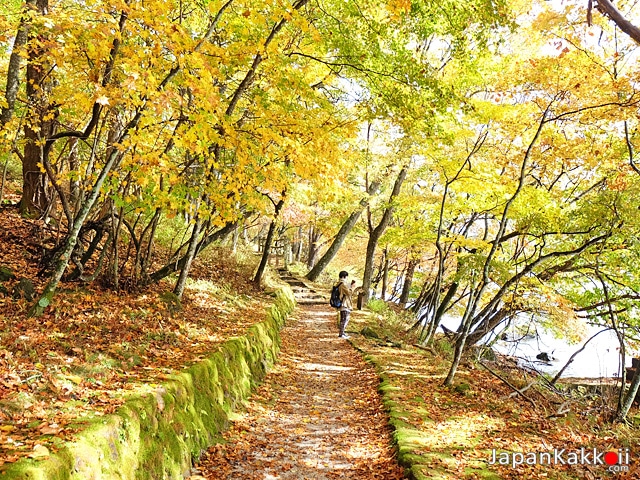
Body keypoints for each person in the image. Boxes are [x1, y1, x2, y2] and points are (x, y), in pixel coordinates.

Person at [335, 271, 358, 339]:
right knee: (344, 319)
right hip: (344, 303)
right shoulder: (343, 284)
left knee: (344, 318)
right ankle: (341, 334)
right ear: (344, 276)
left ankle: (342, 333)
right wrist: (352, 287)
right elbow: (349, 293)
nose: (347, 278)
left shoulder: (338, 283)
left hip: (343, 303)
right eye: (347, 276)